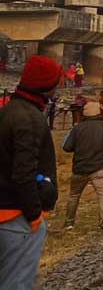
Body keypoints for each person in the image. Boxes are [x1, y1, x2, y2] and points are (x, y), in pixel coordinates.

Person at [0, 55, 62, 289]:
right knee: (16, 283)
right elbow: (23, 174)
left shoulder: (8, 111)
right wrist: (35, 216)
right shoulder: (30, 119)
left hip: (5, 211)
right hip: (18, 217)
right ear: (47, 86)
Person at [62, 101, 103, 234]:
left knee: (74, 195)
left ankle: (69, 223)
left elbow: (66, 147)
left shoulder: (76, 128)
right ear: (99, 112)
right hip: (99, 167)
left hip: (80, 168)